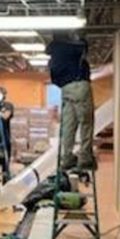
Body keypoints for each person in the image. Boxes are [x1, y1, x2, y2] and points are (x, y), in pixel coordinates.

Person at [46, 33, 96, 171]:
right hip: (79, 86)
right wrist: (81, 38)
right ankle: (85, 158)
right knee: (86, 123)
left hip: (65, 90)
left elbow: (54, 79)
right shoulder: (70, 48)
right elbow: (83, 47)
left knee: (69, 125)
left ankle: (67, 158)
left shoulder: (53, 58)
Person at [0, 86, 14, 178]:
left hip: (4, 140)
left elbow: (6, 116)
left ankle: (6, 186)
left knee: (5, 166)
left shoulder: (8, 105)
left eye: (0, 93)